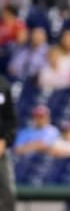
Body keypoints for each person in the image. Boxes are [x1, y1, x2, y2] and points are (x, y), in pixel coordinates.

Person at [0, 76, 17, 211]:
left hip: (0, 148)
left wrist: (5, 140)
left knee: (8, 193)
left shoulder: (3, 85)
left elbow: (10, 119)